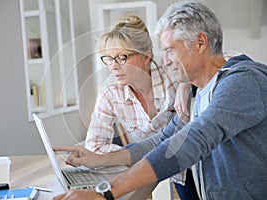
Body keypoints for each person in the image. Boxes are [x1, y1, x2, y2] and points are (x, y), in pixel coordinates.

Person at [54, 1, 267, 200]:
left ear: (200, 43)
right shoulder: (200, 92)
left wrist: (106, 193)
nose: (164, 61)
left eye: (170, 50)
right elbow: (163, 141)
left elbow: (194, 140)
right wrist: (100, 159)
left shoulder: (242, 80)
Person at [84, 14, 194, 199]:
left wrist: (185, 82)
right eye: (108, 58)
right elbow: (94, 146)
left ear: (146, 56)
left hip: (190, 158)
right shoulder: (109, 92)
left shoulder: (172, 70)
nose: (113, 66)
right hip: (148, 161)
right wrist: (130, 155)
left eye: (121, 57)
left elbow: (222, 59)